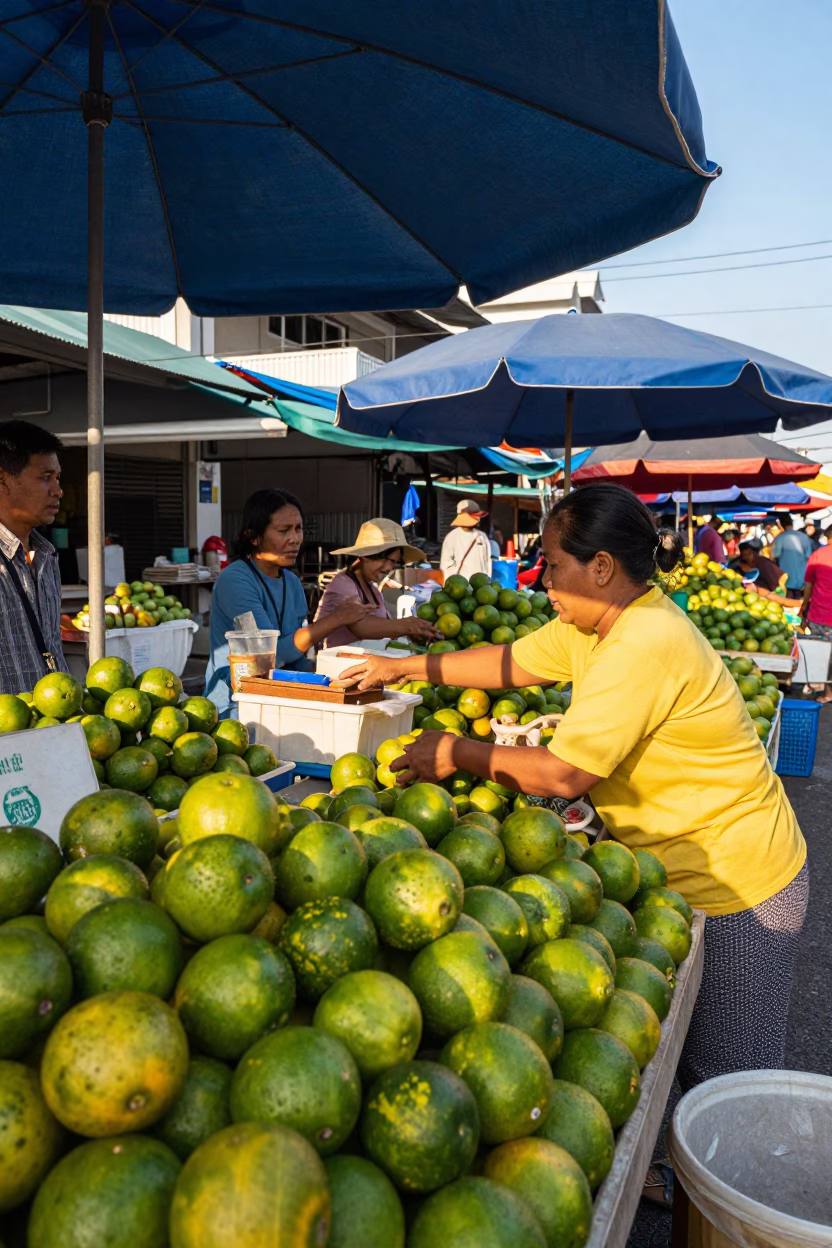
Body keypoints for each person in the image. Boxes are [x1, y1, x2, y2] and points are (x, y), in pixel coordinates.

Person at [342, 482, 808, 1099]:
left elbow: (564, 774)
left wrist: (455, 751)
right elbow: (509, 663)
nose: (543, 583)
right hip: (677, 873)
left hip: (742, 883)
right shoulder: (597, 625)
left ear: (602, 568)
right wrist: (402, 666)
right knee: (668, 1073)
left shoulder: (644, 643)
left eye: (554, 568)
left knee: (726, 1088)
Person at [205, 488, 378, 717]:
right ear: (254, 536)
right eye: (283, 530)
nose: (295, 539)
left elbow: (297, 656)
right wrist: (337, 618)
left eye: (299, 529)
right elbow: (268, 658)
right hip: (235, 706)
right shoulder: (236, 581)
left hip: (281, 699)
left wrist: (333, 677)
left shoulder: (292, 582)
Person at [0, 420, 67, 695]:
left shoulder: (47, 557)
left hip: (52, 727)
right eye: (45, 477)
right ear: (3, 480)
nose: (57, 491)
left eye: (58, 478)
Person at [314, 519, 439, 649]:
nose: (389, 568)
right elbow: (361, 626)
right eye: (386, 560)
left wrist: (414, 633)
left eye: (393, 562)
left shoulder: (374, 592)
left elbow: (387, 627)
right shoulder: (342, 584)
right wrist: (407, 625)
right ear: (366, 555)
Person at [800, 526, 832, 703]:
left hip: (819, 615)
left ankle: (820, 689)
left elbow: (809, 585)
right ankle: (826, 691)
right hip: (823, 614)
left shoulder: (818, 555)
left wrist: (804, 606)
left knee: (821, 654)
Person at [440, 499, 492, 580]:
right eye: (475, 516)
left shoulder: (482, 536)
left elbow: (488, 561)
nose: (479, 519)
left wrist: (488, 580)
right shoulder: (452, 537)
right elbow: (445, 565)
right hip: (461, 586)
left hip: (481, 584)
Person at [770, 514, 813, 593]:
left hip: (787, 579)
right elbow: (809, 555)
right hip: (803, 578)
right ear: (792, 523)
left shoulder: (780, 537)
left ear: (782, 525)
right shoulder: (804, 536)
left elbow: (774, 555)